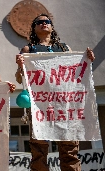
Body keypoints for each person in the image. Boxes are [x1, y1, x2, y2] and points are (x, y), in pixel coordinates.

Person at [15, 14, 95, 171]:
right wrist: (20, 66)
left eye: (47, 22)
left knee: (70, 150)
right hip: (40, 106)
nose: (44, 24)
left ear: (51, 27)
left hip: (64, 105)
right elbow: (19, 79)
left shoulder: (65, 49)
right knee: (38, 151)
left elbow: (76, 74)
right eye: (39, 22)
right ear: (34, 28)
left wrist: (87, 61)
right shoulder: (28, 49)